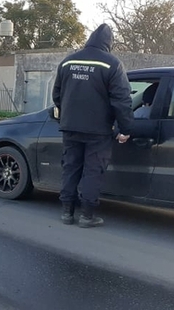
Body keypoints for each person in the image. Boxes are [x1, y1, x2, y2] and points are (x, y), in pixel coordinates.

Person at [51, 23, 134, 228]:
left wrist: (67, 116)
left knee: (70, 168)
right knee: (93, 171)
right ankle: (87, 216)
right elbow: (122, 100)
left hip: (70, 128)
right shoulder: (112, 64)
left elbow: (57, 95)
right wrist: (125, 129)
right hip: (98, 130)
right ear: (109, 43)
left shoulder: (68, 62)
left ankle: (66, 213)